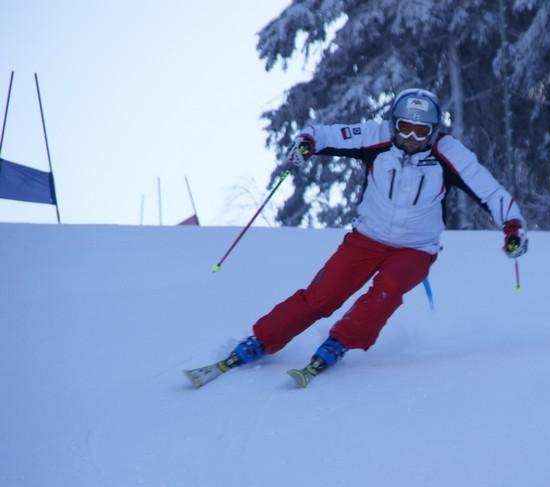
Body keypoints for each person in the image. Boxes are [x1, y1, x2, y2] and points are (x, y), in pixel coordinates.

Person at [202, 88, 526, 388]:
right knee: (321, 296)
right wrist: (306, 144)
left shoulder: (450, 153)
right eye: (404, 128)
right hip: (366, 239)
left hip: (415, 249)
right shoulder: (376, 136)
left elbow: (491, 192)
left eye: (421, 131)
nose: (411, 138)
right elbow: (325, 134)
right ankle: (261, 339)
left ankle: (341, 340)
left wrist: (512, 226)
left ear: (434, 131)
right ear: (393, 124)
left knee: (388, 289)